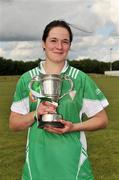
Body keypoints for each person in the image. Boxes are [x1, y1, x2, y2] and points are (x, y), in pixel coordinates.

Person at [9, 20, 109, 180]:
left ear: (70, 46)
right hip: (36, 168)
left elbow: (102, 120)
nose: (59, 46)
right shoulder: (27, 79)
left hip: (74, 167)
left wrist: (74, 127)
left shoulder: (80, 79)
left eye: (65, 42)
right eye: (53, 40)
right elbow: (14, 124)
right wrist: (36, 114)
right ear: (44, 43)